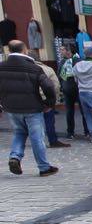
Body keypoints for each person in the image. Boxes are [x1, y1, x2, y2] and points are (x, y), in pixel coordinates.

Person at [0, 41, 59, 176]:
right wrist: (49, 104)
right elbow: (49, 86)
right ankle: (44, 167)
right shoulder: (34, 68)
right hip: (32, 107)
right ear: (24, 50)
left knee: (19, 132)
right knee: (36, 137)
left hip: (11, 107)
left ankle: (15, 157)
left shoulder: (1, 67)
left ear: (9, 50)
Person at [33, 53, 69, 148]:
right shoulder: (48, 69)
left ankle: (37, 142)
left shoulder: (25, 70)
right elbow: (56, 85)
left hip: (32, 99)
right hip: (46, 99)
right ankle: (52, 140)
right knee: (49, 120)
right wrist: (54, 99)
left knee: (34, 122)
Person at [57, 44, 85, 139]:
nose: (62, 52)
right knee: (69, 111)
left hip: (78, 88)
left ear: (71, 51)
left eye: (63, 50)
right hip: (67, 89)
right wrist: (62, 87)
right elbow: (59, 75)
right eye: (60, 50)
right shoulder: (62, 62)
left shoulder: (78, 60)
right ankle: (70, 132)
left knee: (83, 111)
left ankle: (87, 131)